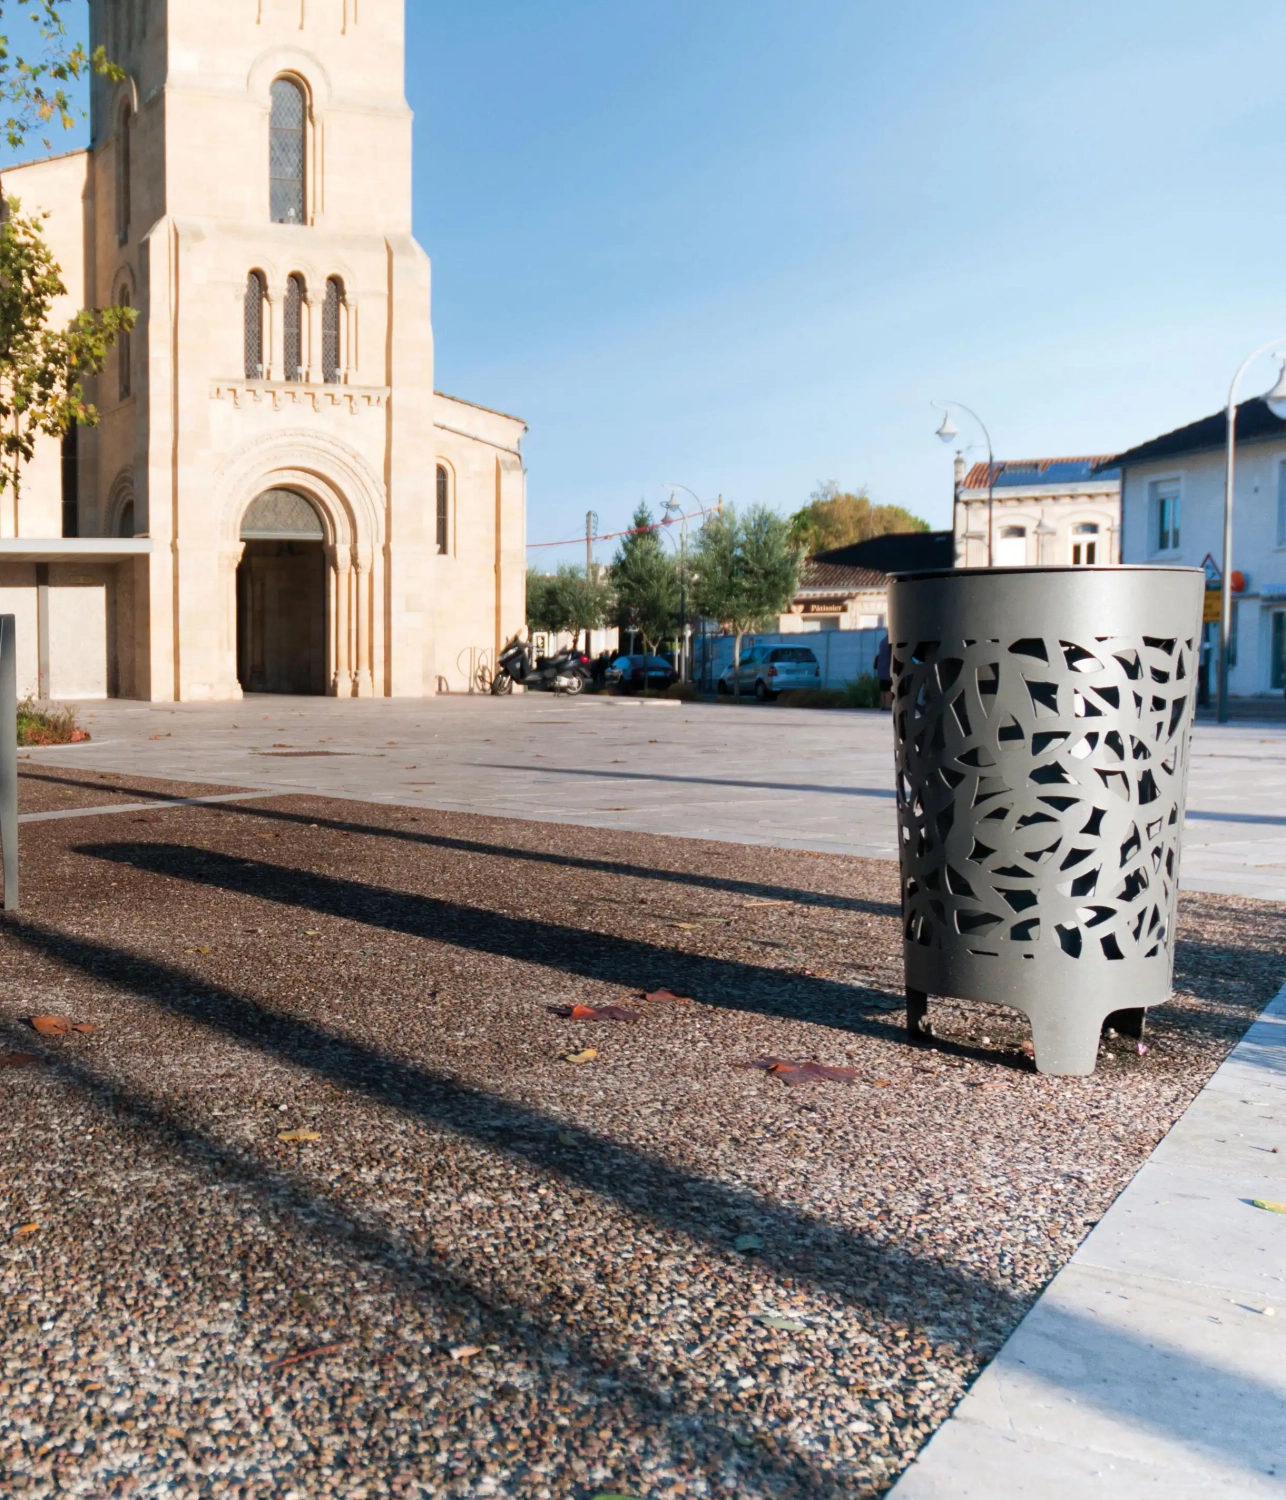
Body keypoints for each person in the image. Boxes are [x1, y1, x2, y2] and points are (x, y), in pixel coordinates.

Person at [875, 631, 893, 711]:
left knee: (883, 689)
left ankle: (883, 704)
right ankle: (888, 705)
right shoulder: (890, 642)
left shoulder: (882, 641)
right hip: (887, 668)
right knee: (888, 688)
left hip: (881, 667)